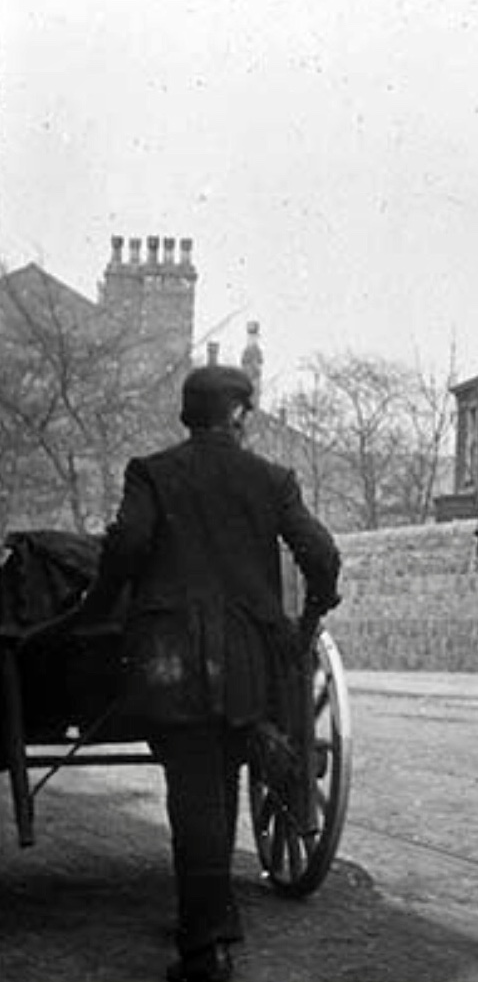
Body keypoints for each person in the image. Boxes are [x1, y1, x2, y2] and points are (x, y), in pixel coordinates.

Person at [76, 365, 341, 982]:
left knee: (194, 791)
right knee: (217, 782)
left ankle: (205, 948)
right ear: (240, 414)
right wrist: (311, 613)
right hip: (248, 665)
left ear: (189, 415)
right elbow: (321, 554)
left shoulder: (152, 472)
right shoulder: (271, 479)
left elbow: (127, 545)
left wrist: (98, 604)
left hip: (171, 661)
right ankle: (212, 922)